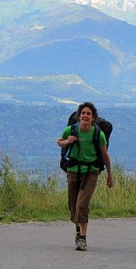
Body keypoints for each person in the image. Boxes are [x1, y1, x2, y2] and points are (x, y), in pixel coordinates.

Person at [57, 102, 113, 251]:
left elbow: (105, 155)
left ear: (93, 117)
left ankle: (83, 238)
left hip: (91, 172)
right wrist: (67, 141)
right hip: (73, 171)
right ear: (79, 116)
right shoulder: (71, 130)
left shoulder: (98, 134)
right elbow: (59, 142)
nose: (85, 116)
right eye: (83, 113)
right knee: (73, 205)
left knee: (81, 204)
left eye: (88, 114)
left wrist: (109, 175)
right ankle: (77, 230)